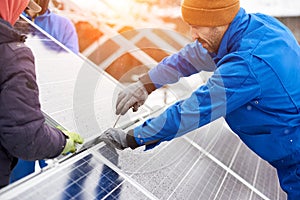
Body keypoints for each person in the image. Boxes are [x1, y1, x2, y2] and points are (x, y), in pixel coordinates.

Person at [100, 0, 300, 199]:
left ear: (219, 22)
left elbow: (194, 110)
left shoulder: (248, 63)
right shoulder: (252, 28)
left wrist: (133, 137)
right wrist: (147, 83)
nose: (192, 35)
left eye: (197, 27)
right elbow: (190, 57)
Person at [0, 0, 83, 189]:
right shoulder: (12, 51)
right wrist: (62, 143)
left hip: (45, 113)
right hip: (24, 121)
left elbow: (71, 69)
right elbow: (26, 138)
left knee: (48, 179)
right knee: (20, 179)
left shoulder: (61, 26)